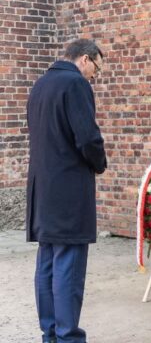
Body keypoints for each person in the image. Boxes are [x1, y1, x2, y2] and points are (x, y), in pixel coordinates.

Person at [26, 38, 107, 343]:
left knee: (47, 264)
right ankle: (68, 336)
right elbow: (87, 138)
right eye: (96, 68)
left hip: (42, 188)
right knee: (68, 268)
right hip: (68, 190)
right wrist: (99, 163)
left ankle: (50, 333)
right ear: (85, 59)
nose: (94, 76)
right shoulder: (75, 85)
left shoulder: (41, 85)